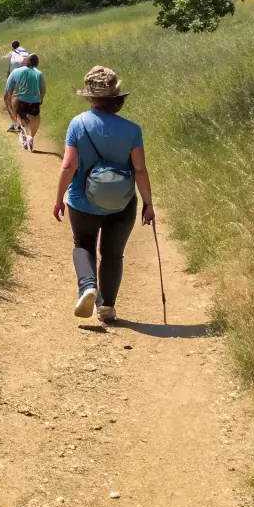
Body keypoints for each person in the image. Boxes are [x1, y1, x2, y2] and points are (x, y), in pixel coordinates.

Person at [52, 66, 155, 324]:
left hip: (82, 200)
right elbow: (140, 169)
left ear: (90, 96)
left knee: (83, 244)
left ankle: (88, 286)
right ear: (117, 98)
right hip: (121, 204)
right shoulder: (132, 129)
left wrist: (58, 199)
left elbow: (68, 165)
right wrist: (148, 203)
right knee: (113, 254)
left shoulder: (78, 124)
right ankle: (107, 307)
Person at [4, 53, 45, 151]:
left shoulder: (16, 72)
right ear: (36, 63)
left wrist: (7, 100)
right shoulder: (39, 73)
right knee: (35, 120)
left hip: (20, 101)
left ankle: (22, 131)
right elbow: (43, 89)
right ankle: (30, 137)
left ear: (27, 61)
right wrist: (40, 99)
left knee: (21, 119)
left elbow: (8, 90)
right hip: (34, 102)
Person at [6, 41, 30, 131]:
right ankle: (23, 121)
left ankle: (14, 123)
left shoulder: (12, 53)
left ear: (12, 47)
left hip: (15, 77)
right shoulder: (26, 52)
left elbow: (10, 68)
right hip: (28, 77)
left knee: (9, 99)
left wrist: (8, 78)